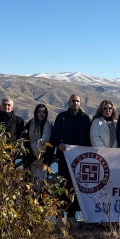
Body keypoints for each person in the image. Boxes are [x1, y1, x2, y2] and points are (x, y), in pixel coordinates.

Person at [50, 94, 92, 227]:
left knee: (76, 188)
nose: (75, 103)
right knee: (63, 186)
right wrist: (60, 144)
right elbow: (55, 134)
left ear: (81, 103)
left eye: (77, 101)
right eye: (73, 101)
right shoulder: (61, 117)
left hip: (80, 160)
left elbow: (88, 138)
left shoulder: (85, 118)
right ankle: (59, 217)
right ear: (69, 103)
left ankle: (72, 217)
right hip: (64, 159)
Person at [21, 104, 54, 187]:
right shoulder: (28, 126)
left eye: (44, 112)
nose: (41, 114)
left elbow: (51, 146)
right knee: (29, 187)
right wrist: (33, 160)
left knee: (42, 188)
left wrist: (43, 160)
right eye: (39, 112)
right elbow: (25, 144)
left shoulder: (50, 127)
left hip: (44, 163)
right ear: (35, 113)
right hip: (30, 162)